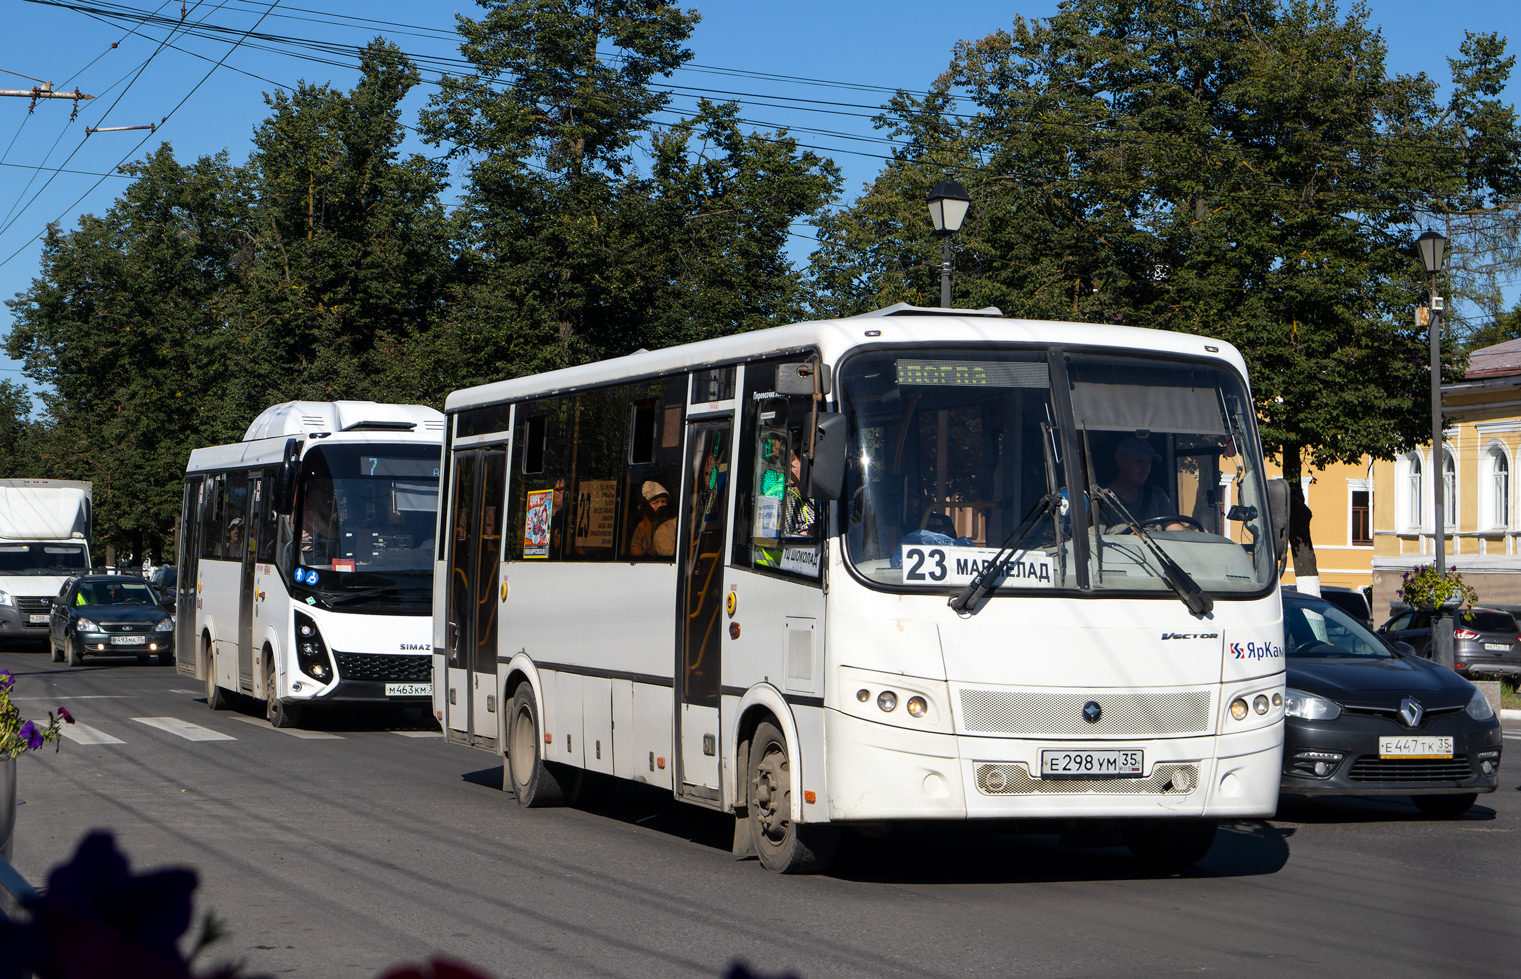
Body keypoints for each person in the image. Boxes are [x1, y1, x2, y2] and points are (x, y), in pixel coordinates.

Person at [1101, 436, 1182, 527]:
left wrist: (1196, 534)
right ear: (1121, 461)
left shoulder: (1156, 495)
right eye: (1139, 461)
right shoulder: (1102, 499)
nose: (1145, 469)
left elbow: (1173, 527)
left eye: (1148, 462)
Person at [630, 480, 676, 557]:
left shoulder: (671, 526)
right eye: (655, 502)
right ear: (643, 507)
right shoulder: (640, 535)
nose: (661, 505)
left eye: (664, 501)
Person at [301, 480, 340, 562]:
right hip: (310, 552)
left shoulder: (306, 508)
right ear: (313, 492)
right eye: (321, 491)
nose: (323, 495)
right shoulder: (309, 512)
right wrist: (325, 509)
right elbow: (332, 534)